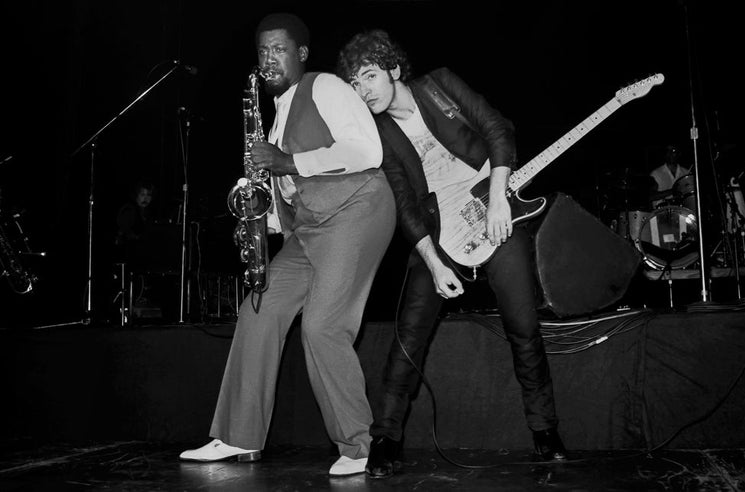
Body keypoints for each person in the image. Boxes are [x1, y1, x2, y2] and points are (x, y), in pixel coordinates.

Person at [336, 30, 567, 478]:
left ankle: (545, 429)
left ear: (394, 70)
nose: (363, 91)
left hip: (494, 208)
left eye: (369, 76)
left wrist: (499, 196)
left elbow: (498, 129)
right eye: (355, 84)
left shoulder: (439, 85)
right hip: (439, 232)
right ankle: (386, 438)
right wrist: (435, 261)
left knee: (523, 325)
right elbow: (403, 203)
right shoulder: (376, 133)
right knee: (410, 332)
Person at [179, 13, 396, 477]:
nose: (268, 58)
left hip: (356, 210)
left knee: (322, 327)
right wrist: (262, 211)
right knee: (258, 310)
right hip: (311, 229)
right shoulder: (275, 120)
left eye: (279, 49)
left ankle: (357, 446)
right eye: (262, 51)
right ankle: (236, 436)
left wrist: (286, 160)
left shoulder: (327, 88)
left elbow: (367, 152)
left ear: (300, 54)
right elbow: (288, 192)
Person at [648, 144, 691, 208]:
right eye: (668, 151)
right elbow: (651, 196)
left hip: (682, 211)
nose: (670, 153)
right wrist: (674, 190)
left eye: (673, 151)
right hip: (661, 212)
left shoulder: (686, 173)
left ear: (679, 154)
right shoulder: (656, 173)